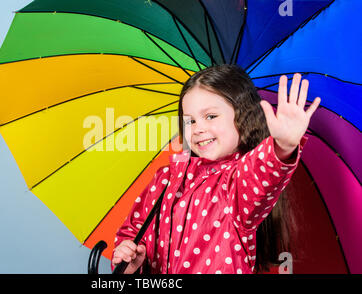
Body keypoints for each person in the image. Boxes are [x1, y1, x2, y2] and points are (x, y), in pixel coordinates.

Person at [112, 64, 321, 274]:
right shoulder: (164, 179)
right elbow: (132, 232)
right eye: (190, 120)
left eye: (210, 116)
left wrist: (283, 145)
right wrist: (128, 265)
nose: (198, 128)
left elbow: (262, 172)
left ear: (244, 117)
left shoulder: (237, 184)